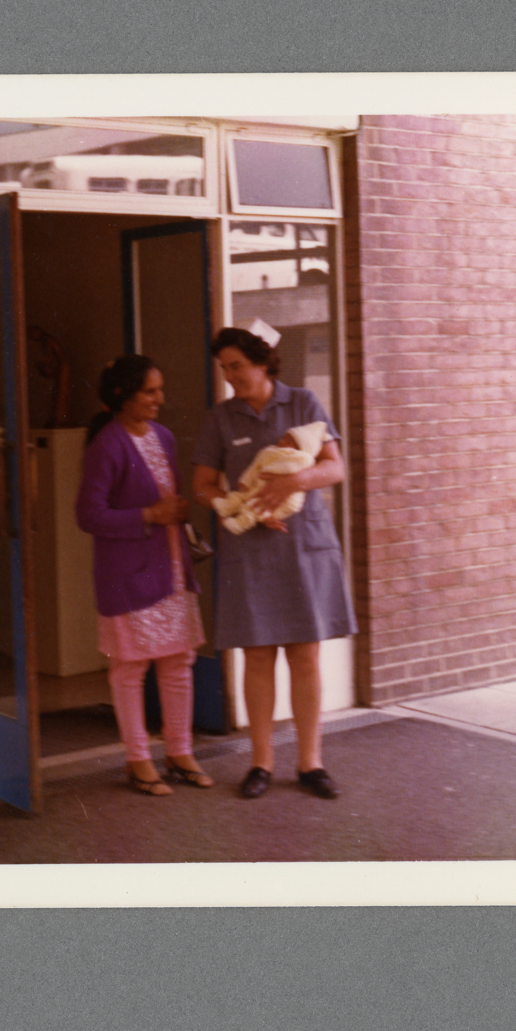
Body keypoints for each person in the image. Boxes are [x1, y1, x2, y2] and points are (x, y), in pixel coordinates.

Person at [192, 324, 356, 800]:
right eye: (224, 368)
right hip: (251, 549)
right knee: (258, 655)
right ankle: (260, 762)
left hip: (303, 545)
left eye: (237, 366)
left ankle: (311, 763)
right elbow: (203, 484)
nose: (230, 377)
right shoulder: (220, 418)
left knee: (304, 654)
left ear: (261, 362)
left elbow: (335, 467)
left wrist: (293, 483)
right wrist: (237, 506)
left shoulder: (303, 403)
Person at [75, 355, 215, 796]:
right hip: (128, 575)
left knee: (178, 662)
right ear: (123, 395)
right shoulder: (108, 445)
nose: (160, 399)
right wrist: (152, 513)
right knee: (130, 667)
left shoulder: (165, 438)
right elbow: (88, 514)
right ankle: (138, 759)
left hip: (171, 567)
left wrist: (172, 511)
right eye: (150, 391)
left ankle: (179, 751)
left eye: (160, 390)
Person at [211, 421, 328, 534]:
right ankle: (229, 505)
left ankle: (240, 523)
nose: (282, 441)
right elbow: (255, 467)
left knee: (255, 507)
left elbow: (292, 469)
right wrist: (245, 481)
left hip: (287, 499)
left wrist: (288, 480)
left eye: (288, 441)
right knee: (243, 495)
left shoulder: (303, 459)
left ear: (301, 448)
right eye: (284, 438)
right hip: (260, 484)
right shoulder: (269, 452)